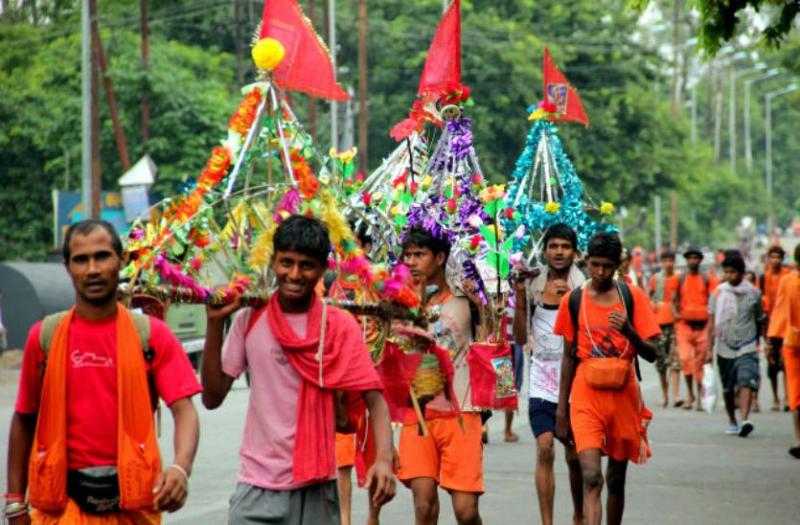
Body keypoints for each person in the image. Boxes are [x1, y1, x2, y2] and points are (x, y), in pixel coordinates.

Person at [201, 215, 396, 524]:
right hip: (255, 487)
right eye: (286, 262)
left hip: (317, 491)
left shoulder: (339, 326)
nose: (294, 274)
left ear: (322, 269)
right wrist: (214, 324)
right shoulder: (249, 320)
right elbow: (212, 398)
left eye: (306, 265)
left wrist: (383, 460)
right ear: (273, 261)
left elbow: (375, 400)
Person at [4, 219, 202, 525]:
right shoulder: (44, 337)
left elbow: (184, 409)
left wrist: (180, 468)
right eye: (81, 260)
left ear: (121, 260)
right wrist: (15, 501)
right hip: (61, 509)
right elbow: (24, 417)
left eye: (102, 256)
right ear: (67, 267)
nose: (92, 269)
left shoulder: (151, 336)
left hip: (132, 508)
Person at [554, 232, 660, 525]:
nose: (600, 272)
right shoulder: (573, 300)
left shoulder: (632, 297)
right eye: (595, 264)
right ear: (586, 261)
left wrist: (629, 332)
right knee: (591, 477)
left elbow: (653, 354)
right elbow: (568, 358)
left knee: (615, 478)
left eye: (608, 266)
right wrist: (561, 411)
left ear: (618, 265)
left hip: (623, 396)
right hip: (586, 396)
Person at [400, 226, 483, 525]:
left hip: (462, 411)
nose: (411, 261)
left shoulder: (465, 300)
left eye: (419, 254)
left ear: (439, 258)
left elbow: (490, 344)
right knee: (424, 506)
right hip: (418, 413)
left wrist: (482, 306)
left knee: (466, 512)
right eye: (408, 255)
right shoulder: (400, 302)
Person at [512, 223, 586, 525]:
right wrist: (519, 295)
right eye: (553, 246)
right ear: (545, 251)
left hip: (576, 383)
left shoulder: (584, 287)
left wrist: (571, 302)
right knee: (544, 450)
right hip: (541, 382)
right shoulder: (532, 283)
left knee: (574, 457)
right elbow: (520, 337)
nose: (559, 252)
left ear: (575, 252)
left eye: (565, 247)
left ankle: (579, 514)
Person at [708, 253, 764, 436]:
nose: (729, 276)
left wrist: (760, 340)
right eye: (726, 272)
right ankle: (732, 419)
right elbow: (711, 322)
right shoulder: (718, 293)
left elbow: (760, 319)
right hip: (724, 346)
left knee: (746, 379)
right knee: (728, 387)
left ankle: (745, 419)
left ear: (741, 272)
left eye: (733, 272)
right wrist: (708, 349)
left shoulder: (754, 294)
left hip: (747, 344)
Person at [673, 246, 718, 411]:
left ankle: (699, 397)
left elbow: (714, 300)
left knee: (700, 363)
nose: (693, 261)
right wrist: (676, 314)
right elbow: (674, 300)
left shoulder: (708, 279)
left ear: (700, 260)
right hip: (684, 325)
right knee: (685, 359)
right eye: (690, 258)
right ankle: (689, 394)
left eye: (696, 258)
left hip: (703, 326)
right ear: (686, 260)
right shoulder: (680, 278)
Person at [767, 244, 800, 459]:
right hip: (792, 343)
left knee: (796, 392)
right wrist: (772, 340)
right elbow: (780, 310)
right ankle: (798, 439)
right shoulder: (787, 281)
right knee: (795, 393)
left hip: (791, 342)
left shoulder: (787, 280)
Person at [648, 251, 681, 408]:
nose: (668, 263)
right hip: (659, 323)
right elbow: (650, 296)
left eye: (671, 260)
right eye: (665, 260)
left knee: (675, 360)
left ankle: (676, 395)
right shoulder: (656, 279)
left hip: (675, 323)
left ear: (674, 261)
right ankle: (665, 395)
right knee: (661, 362)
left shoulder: (680, 277)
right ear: (662, 262)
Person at [761, 245, 791, 412]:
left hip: (786, 324)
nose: (775, 260)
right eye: (772, 257)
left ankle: (787, 397)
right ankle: (775, 398)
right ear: (768, 258)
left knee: (786, 362)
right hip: (770, 325)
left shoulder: (788, 276)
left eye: (778, 257)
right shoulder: (763, 277)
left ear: (782, 258)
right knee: (772, 364)